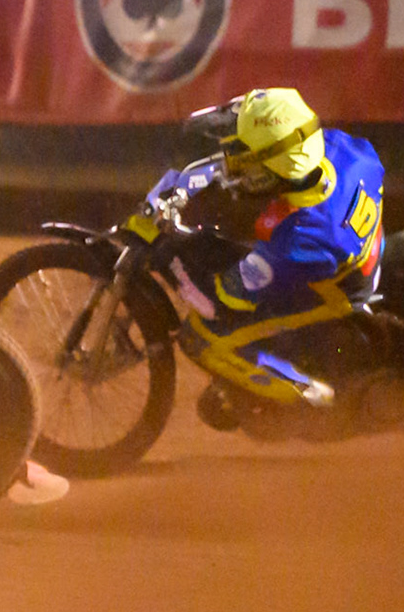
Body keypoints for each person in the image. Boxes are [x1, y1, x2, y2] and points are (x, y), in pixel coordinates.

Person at [162, 87, 386, 416]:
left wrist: (175, 258)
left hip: (333, 294)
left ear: (281, 167)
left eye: (250, 162)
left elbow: (228, 296)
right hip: (364, 249)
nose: (239, 169)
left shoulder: (302, 237)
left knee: (201, 337)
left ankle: (315, 398)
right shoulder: (342, 149)